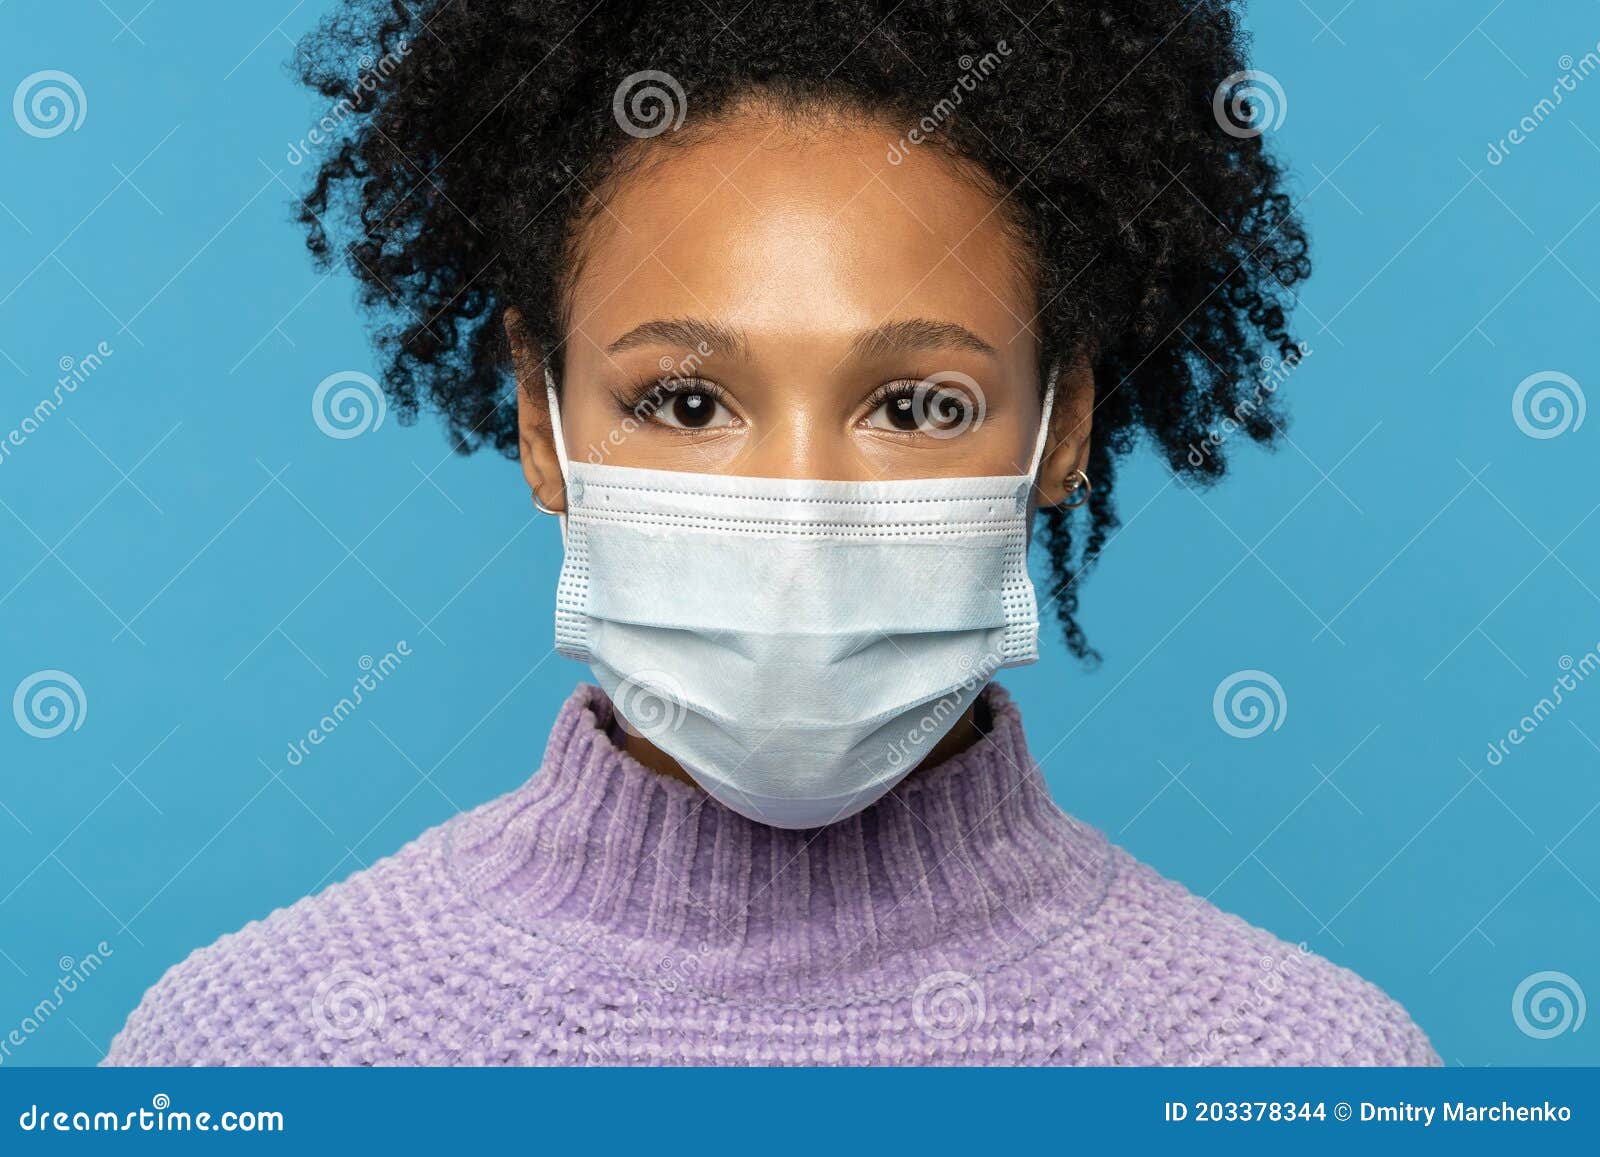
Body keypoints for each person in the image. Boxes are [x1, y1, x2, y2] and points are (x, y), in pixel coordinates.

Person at [105, 0, 1437, 1066]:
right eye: (686, 401)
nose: (801, 511)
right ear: (540, 417)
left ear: (1063, 425)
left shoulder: (1307, 1072)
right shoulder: (249, 1057)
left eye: (917, 402)